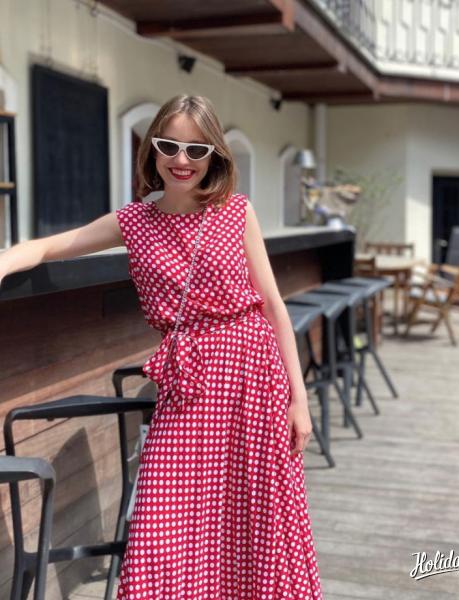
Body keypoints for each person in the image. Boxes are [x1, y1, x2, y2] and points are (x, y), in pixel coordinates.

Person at [0, 94, 324, 599]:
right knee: (160, 522)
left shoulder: (236, 212)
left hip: (253, 378)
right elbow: (49, 246)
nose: (181, 160)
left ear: (214, 155)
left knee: (254, 521)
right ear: (152, 148)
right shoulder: (134, 222)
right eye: (169, 145)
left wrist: (298, 400)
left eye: (196, 149)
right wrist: (3, 263)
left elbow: (274, 307)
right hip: (188, 386)